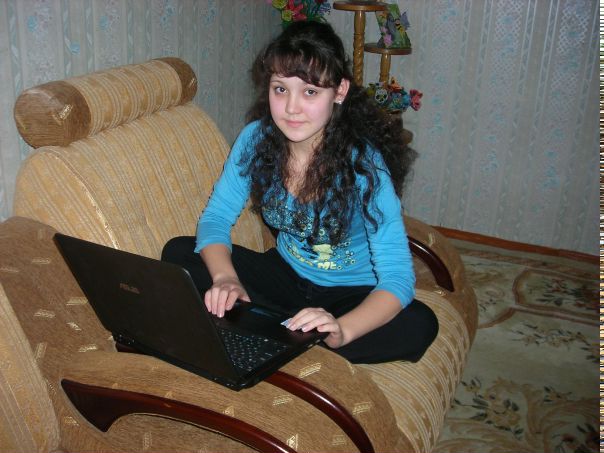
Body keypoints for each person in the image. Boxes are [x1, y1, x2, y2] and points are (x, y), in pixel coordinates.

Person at [161, 21, 438, 364]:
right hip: (286, 276)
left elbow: (397, 277)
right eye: (280, 89)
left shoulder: (366, 166)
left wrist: (341, 329)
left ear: (339, 91)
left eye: (310, 92)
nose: (291, 108)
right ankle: (290, 332)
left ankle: (279, 330)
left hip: (350, 293)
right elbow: (217, 218)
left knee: (420, 324)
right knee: (179, 253)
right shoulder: (255, 139)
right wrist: (226, 279)